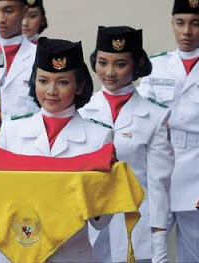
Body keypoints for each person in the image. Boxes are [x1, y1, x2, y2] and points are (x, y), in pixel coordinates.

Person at [0, 36, 113, 262]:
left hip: (70, 252)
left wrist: (108, 180)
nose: (51, 90)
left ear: (80, 85)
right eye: (43, 80)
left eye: (63, 82)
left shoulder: (99, 136)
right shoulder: (12, 129)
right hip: (16, 250)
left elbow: (101, 222)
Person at [79, 26, 174, 262]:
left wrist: (159, 247)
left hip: (134, 227)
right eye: (103, 62)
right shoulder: (80, 111)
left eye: (120, 64)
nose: (109, 72)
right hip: (86, 227)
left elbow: (158, 187)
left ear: (137, 65)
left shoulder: (154, 116)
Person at [138, 0, 199, 261]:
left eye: (196, 23)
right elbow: (140, 115)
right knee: (149, 249)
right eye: (180, 23)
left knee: (194, 250)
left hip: (196, 172)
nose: (187, 31)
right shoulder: (157, 65)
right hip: (159, 166)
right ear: (172, 24)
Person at [0, 0, 39, 124]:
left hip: (29, 138)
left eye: (8, 11)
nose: (0, 19)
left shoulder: (40, 56)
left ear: (25, 11)